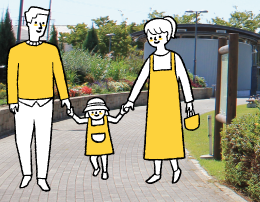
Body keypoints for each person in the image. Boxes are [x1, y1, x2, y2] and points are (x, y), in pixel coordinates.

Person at [123, 16, 195, 185]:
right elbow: (139, 82)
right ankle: (157, 172)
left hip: (170, 105)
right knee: (155, 139)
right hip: (155, 106)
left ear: (168, 36)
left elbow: (184, 80)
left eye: (159, 35)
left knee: (171, 138)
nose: (155, 39)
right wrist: (130, 101)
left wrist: (189, 102)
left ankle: (176, 168)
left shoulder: (174, 58)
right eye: (152, 37)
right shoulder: (151, 60)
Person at [8, 6, 73, 192]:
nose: (40, 26)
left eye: (43, 23)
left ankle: (42, 177)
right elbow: (12, 77)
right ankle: (26, 174)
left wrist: (65, 98)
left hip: (45, 103)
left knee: (44, 141)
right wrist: (12, 100)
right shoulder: (17, 51)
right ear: (29, 23)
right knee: (22, 140)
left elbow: (59, 75)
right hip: (23, 104)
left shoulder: (51, 50)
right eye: (36, 22)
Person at [66, 97, 126, 180]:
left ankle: (104, 171)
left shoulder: (106, 118)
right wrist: (72, 115)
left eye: (99, 111)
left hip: (104, 142)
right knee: (93, 157)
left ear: (104, 111)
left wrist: (121, 113)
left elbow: (115, 120)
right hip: (92, 142)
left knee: (104, 156)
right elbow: (79, 121)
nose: (96, 113)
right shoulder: (89, 120)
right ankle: (96, 168)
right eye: (93, 112)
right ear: (88, 113)